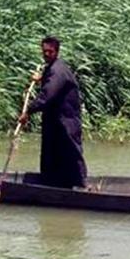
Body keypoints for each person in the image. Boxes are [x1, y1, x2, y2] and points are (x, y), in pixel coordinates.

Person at [19, 36, 87, 189]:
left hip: (66, 120)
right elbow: (50, 83)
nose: (46, 54)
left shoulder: (58, 70)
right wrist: (41, 78)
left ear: (57, 52)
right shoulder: (52, 68)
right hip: (55, 120)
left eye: (50, 52)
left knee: (71, 152)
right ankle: (53, 186)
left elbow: (47, 96)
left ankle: (80, 187)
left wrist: (28, 111)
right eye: (44, 52)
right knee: (52, 153)